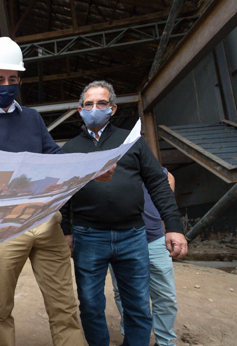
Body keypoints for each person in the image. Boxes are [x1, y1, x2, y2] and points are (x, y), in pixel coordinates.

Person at [0, 37, 87, 346]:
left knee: (64, 306)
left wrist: (86, 167)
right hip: (3, 226)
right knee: (1, 309)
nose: (6, 85)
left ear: (19, 80)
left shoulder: (32, 118)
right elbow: (0, 166)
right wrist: (44, 171)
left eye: (12, 79)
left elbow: (52, 154)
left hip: (46, 222)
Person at [60, 80, 188, 346]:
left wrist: (173, 226)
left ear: (113, 108)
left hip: (132, 235)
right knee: (91, 305)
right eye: (89, 104)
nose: (95, 108)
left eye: (102, 103)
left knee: (138, 305)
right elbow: (63, 197)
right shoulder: (70, 149)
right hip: (88, 236)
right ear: (80, 110)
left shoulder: (131, 142)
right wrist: (67, 232)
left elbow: (157, 183)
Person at [109, 170, 180, 346]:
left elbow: (168, 176)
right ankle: (133, 338)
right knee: (123, 293)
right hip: (121, 239)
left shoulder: (147, 163)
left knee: (165, 295)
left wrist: (162, 218)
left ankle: (164, 341)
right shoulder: (109, 163)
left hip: (154, 239)